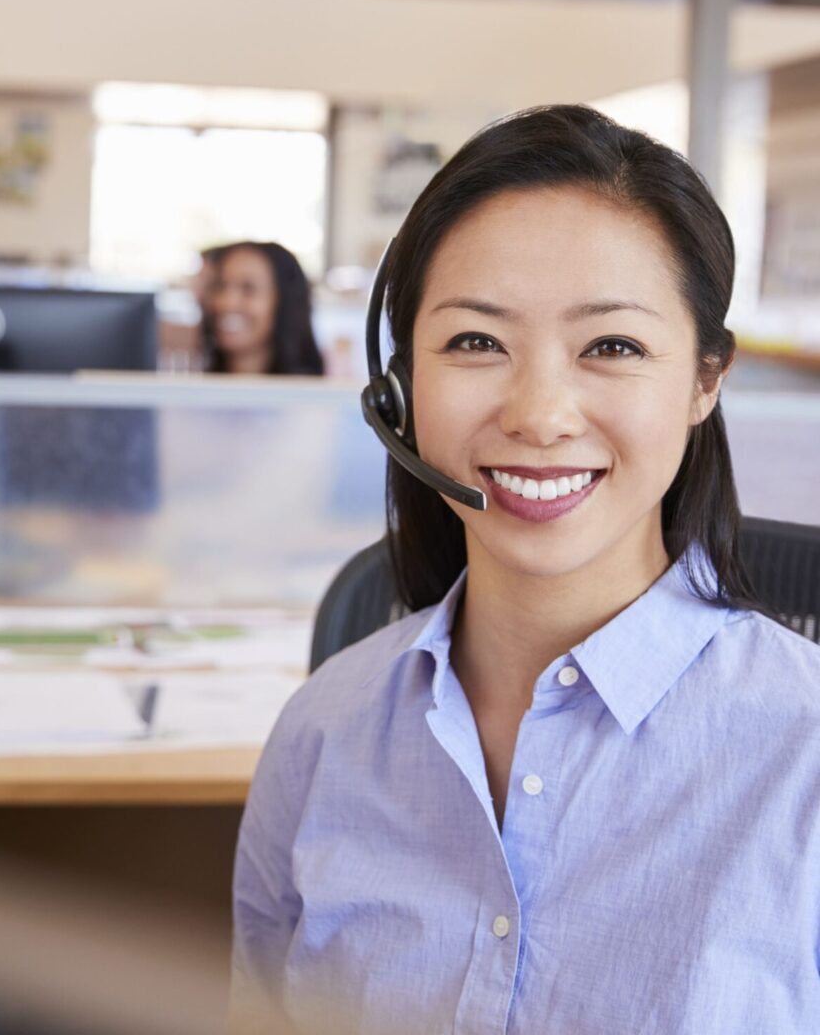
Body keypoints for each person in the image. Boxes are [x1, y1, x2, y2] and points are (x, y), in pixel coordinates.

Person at [230, 105, 820, 1034]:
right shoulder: (322, 733)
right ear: (399, 388)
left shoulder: (803, 753)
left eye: (612, 346)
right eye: (476, 342)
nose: (540, 414)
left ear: (705, 380)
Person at [205, 241, 324, 376]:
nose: (226, 303)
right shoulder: (190, 385)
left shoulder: (318, 393)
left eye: (248, 288)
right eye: (220, 286)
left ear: (285, 301)